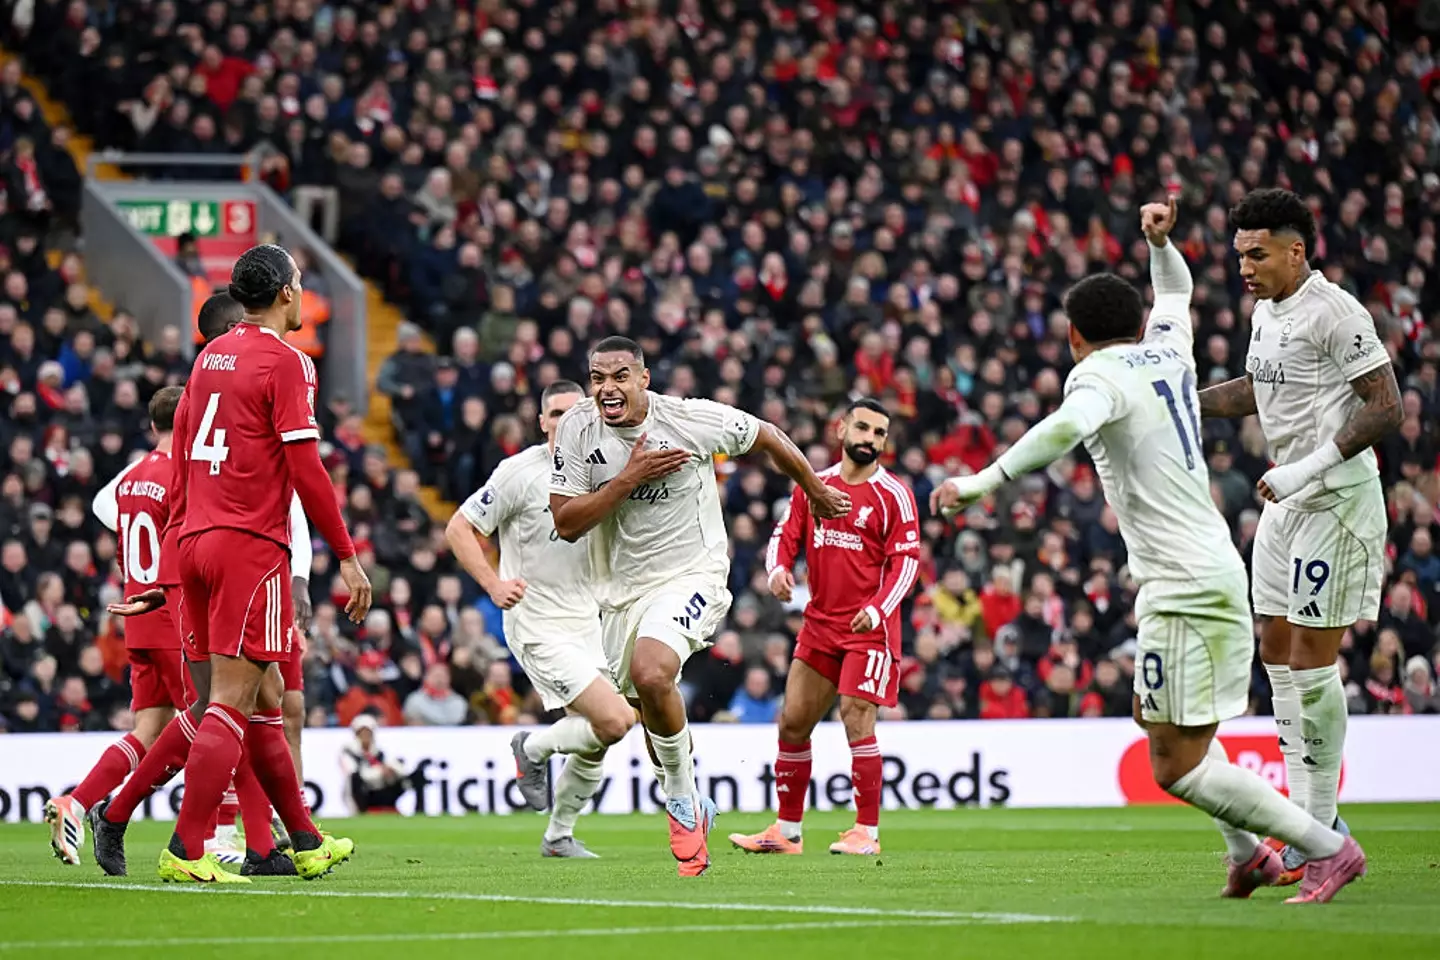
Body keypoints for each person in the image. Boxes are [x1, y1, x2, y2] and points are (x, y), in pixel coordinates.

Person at [934, 198, 1365, 905]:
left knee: (1172, 764)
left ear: (1073, 336)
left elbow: (1065, 428)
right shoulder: (1167, 346)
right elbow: (1177, 290)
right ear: (1135, 326)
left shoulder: (1096, 377)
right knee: (1158, 722)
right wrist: (1159, 243)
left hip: (1185, 584)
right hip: (1204, 570)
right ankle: (1250, 854)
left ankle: (1329, 848)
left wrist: (982, 481)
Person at [549, 336, 850, 876]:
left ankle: (683, 807)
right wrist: (629, 478)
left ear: (644, 378)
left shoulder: (688, 420)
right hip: (619, 594)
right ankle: (687, 794)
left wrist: (815, 491)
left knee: (653, 671)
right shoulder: (576, 429)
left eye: (620, 375)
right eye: (597, 377)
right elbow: (567, 523)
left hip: (694, 573)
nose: (607, 388)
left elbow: (768, 435)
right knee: (644, 696)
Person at [1199, 188, 1400, 886]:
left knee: (1313, 665)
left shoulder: (1336, 311)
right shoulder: (1266, 313)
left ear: (1296, 250)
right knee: (1278, 655)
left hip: (1334, 502)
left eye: (1258, 253)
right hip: (1286, 502)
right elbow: (1255, 390)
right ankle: (1316, 825)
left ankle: (1319, 838)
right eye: (1240, 254)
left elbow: (1387, 404)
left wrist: (1307, 467)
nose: (1246, 267)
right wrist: (1172, 404)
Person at [159, 243, 371, 883]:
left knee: (267, 694)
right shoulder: (287, 362)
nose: (303, 294)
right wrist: (347, 558)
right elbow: (306, 468)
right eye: (301, 283)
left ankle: (302, 839)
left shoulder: (206, 359)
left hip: (195, 539)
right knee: (229, 700)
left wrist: (175, 549)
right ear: (284, 292)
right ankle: (186, 850)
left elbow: (182, 459)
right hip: (249, 545)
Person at [88, 293, 313, 877]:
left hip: (213, 563)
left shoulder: (209, 391)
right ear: (231, 332)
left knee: (258, 705)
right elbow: (193, 497)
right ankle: (137, 817)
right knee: (226, 707)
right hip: (225, 563)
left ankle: (279, 843)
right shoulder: (236, 384)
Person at [446, 378, 635, 858]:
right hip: (537, 622)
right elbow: (460, 527)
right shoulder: (519, 473)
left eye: (575, 413)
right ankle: (531, 748)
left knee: (595, 738)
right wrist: (492, 585)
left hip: (590, 620)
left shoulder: (604, 468)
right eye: (555, 414)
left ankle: (558, 836)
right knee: (615, 721)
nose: (565, 423)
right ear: (542, 422)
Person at [729, 398, 919, 857]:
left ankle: (866, 833)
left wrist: (878, 609)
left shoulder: (893, 495)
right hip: (819, 625)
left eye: (879, 433)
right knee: (792, 722)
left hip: (868, 628)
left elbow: (906, 563)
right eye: (863, 428)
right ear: (841, 430)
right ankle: (787, 831)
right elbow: (784, 535)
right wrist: (777, 570)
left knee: (855, 716)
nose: (870, 439)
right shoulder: (815, 485)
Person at [43, 387, 187, 866]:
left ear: (151, 427)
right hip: (170, 613)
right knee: (210, 725)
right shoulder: (182, 475)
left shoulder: (129, 481)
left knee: (147, 730)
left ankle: (78, 802)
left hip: (136, 615)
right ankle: (214, 835)